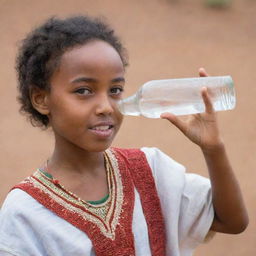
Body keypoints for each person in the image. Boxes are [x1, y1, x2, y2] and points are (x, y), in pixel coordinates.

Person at [0, 15, 248, 256]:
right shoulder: (25, 212)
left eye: (115, 89)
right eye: (84, 90)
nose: (107, 106)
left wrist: (213, 149)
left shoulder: (150, 169)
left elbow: (231, 221)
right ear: (41, 99)